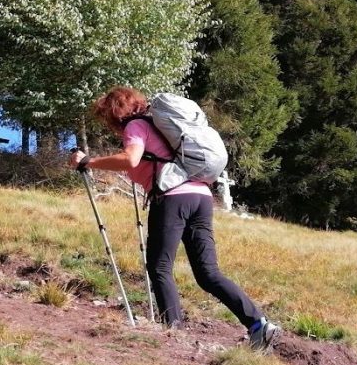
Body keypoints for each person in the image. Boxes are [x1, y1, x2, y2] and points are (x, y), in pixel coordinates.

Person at [70, 85, 281, 351]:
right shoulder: (163, 126)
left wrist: (88, 162)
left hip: (173, 198)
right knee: (208, 273)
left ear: (114, 114)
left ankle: (173, 335)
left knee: (159, 267)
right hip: (201, 196)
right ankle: (259, 324)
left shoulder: (135, 126)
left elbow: (131, 159)